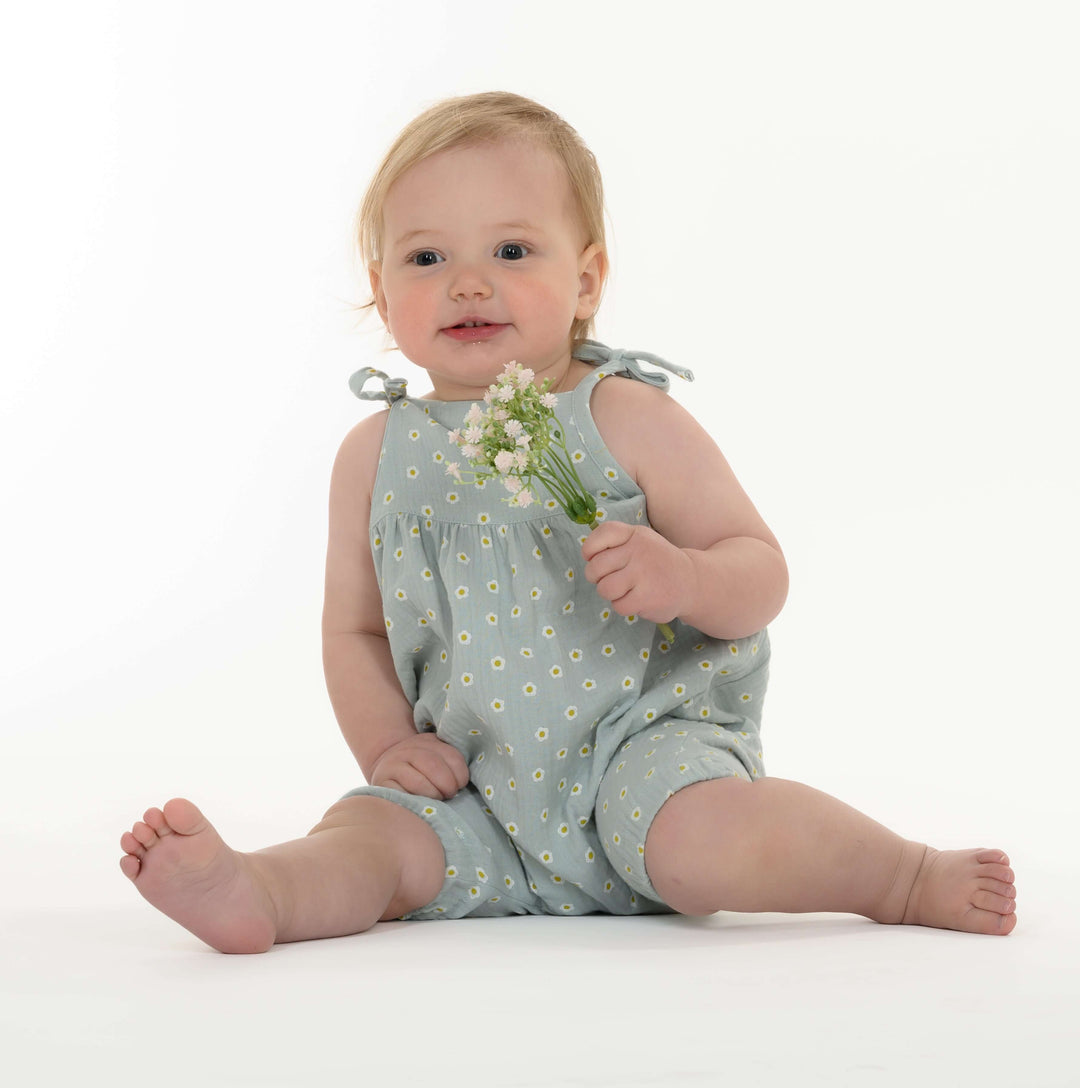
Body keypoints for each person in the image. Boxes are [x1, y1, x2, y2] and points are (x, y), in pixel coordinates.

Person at [118, 91, 1017, 953]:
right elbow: (352, 630)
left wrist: (685, 577)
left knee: (710, 844)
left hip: (647, 761)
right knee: (372, 840)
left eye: (512, 250)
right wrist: (389, 746)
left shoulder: (624, 416)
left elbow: (761, 571)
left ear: (585, 281)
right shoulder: (375, 455)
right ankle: (264, 893)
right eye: (426, 259)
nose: (469, 283)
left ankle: (902, 877)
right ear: (383, 296)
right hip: (472, 790)